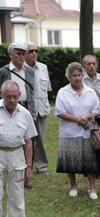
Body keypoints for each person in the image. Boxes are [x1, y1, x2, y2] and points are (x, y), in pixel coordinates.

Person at [55, 62, 100, 199]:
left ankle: (92, 188)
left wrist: (87, 116)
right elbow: (59, 112)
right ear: (69, 77)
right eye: (73, 75)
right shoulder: (63, 92)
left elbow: (97, 111)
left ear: (83, 75)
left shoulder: (90, 92)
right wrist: (76, 119)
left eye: (79, 75)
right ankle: (73, 186)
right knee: (70, 160)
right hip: (69, 132)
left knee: (90, 161)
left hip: (87, 132)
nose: (77, 78)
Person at [0, 81, 37, 217]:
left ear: (19, 95)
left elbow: (28, 142)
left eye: (15, 96)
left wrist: (29, 167)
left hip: (17, 154)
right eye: (9, 97)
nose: (12, 100)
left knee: (16, 195)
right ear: (2, 95)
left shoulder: (25, 113)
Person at [25, 42, 50, 174]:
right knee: (26, 139)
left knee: (40, 139)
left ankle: (42, 166)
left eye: (35, 50)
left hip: (41, 109)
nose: (34, 53)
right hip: (26, 109)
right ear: (24, 54)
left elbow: (48, 89)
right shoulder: (20, 69)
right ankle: (26, 165)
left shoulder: (43, 68)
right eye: (31, 51)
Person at [81, 55, 100, 178]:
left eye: (93, 63)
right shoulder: (80, 79)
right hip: (87, 113)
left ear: (97, 65)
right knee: (87, 140)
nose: (91, 66)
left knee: (99, 139)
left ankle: (99, 171)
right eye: (88, 64)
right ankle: (88, 170)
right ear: (84, 66)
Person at [0, 43, 36, 119]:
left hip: (27, 107)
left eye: (23, 54)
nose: (21, 56)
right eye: (18, 53)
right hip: (9, 108)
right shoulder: (3, 71)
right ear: (10, 55)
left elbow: (32, 92)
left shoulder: (30, 71)